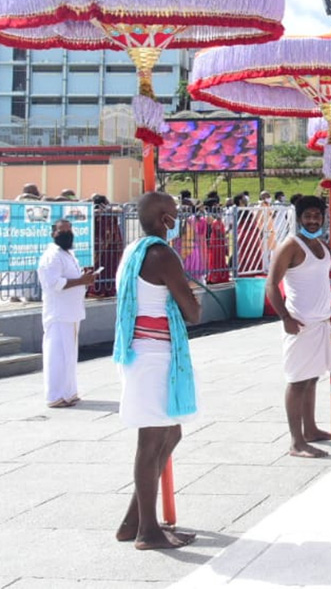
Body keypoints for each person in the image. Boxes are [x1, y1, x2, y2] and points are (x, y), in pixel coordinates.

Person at [112, 192, 202, 550]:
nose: (179, 220)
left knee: (171, 433)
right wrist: (190, 295)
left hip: (144, 352)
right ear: (165, 219)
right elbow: (193, 313)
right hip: (154, 354)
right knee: (151, 441)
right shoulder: (161, 254)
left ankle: (134, 519)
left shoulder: (132, 251)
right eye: (176, 214)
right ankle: (148, 532)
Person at [265, 196, 331, 458]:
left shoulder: (323, 246)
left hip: (323, 323)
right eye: (308, 217)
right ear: (299, 218)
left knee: (312, 378)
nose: (313, 221)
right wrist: (285, 317)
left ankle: (310, 429)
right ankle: (296, 441)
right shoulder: (290, 246)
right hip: (300, 325)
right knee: (298, 381)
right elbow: (271, 285)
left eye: (317, 216)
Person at [38, 219, 97, 408]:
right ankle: (54, 395)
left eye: (70, 231)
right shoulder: (51, 256)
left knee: (69, 355)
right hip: (58, 313)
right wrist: (81, 281)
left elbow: (73, 278)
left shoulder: (68, 254)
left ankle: (69, 392)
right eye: (62, 232)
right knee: (56, 355)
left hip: (71, 312)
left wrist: (85, 277)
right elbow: (54, 283)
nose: (67, 234)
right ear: (53, 234)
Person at [91, 194, 124, 298]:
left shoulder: (110, 212)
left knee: (110, 268)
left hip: (111, 247)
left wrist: (108, 210)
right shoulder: (92, 213)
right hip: (98, 248)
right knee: (97, 269)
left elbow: (120, 210)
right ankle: (96, 290)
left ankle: (109, 290)